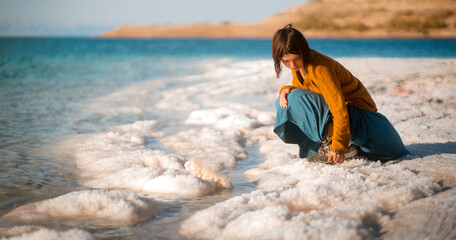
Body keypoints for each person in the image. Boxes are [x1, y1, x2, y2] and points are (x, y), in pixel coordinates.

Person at [272, 24, 409, 164]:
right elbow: (305, 88)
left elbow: (339, 109)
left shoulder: (320, 69)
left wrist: (338, 146)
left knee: (295, 99)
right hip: (350, 116)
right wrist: (285, 89)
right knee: (286, 99)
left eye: (296, 58)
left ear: (303, 51)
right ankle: (332, 142)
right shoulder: (301, 66)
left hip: (361, 116)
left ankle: (339, 143)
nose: (293, 65)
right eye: (286, 61)